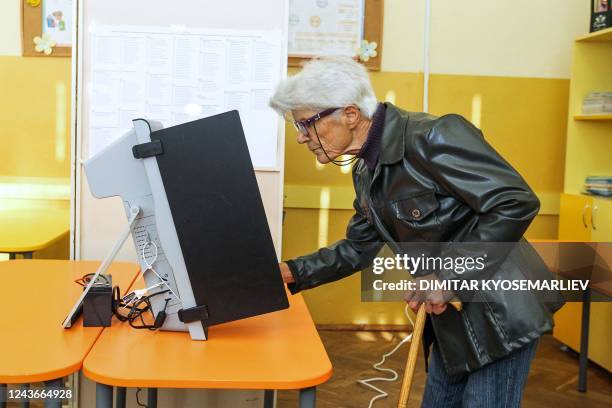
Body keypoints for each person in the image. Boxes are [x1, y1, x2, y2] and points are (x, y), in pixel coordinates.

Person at [269, 56, 563, 407]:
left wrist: (447, 277)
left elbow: (514, 202)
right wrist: (288, 272)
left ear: (349, 114)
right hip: (450, 318)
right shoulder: (365, 170)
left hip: (499, 311)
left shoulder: (432, 136)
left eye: (306, 125)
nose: (303, 138)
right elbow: (357, 248)